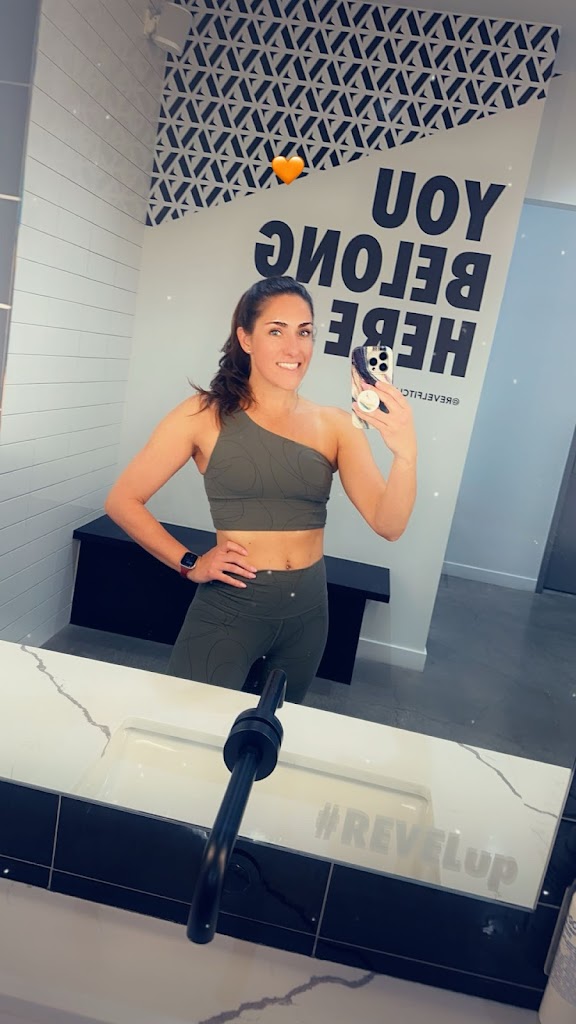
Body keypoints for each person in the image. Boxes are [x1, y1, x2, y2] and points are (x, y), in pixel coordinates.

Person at [104, 276, 417, 704]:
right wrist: (190, 563)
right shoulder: (203, 415)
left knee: (267, 733)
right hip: (230, 610)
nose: (294, 348)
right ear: (246, 338)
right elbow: (122, 500)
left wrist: (405, 453)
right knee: (187, 726)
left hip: (308, 613)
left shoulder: (336, 425)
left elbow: (389, 524)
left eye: (304, 332)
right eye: (276, 331)